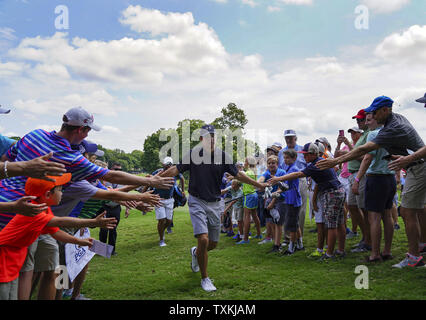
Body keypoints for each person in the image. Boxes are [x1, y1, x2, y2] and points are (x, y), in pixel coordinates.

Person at [0, 106, 173, 300]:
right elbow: (107, 192)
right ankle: (65, 295)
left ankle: (73, 294)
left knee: (74, 264)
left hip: (69, 225)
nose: (90, 159)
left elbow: (110, 192)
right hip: (57, 223)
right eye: (90, 155)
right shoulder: (73, 174)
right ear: (80, 134)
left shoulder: (39, 138)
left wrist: (134, 199)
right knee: (53, 271)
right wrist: (142, 190)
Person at [317, 96, 425, 268]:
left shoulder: (392, 127)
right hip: (412, 167)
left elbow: (365, 151)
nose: (371, 117)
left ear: (385, 110)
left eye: (374, 113)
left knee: (406, 211)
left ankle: (413, 256)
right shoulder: (395, 121)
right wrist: (405, 157)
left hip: (415, 168)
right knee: (411, 210)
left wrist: (335, 162)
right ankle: (418, 247)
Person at [160, 124, 268, 292]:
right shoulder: (194, 155)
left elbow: (238, 174)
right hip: (197, 200)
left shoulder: (223, 156)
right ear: (202, 139)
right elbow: (175, 169)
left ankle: (196, 252)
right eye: (207, 136)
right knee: (203, 239)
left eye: (213, 136)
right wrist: (153, 179)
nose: (211, 139)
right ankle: (205, 278)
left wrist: (257, 185)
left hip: (215, 202)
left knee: (212, 244)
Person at [0, 173, 117, 300]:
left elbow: (56, 232)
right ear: (47, 195)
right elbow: (59, 222)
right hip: (4, 265)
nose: (62, 193)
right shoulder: (34, 210)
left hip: (11, 264)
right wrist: (93, 222)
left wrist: (79, 241)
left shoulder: (44, 208)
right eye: (60, 189)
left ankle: (69, 293)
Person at [269, 143, 346, 261]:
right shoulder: (319, 161)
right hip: (338, 191)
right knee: (339, 223)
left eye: (305, 155)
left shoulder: (315, 164)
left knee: (331, 225)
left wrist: (278, 179)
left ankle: (329, 254)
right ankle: (340, 250)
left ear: (312, 154)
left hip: (332, 193)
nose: (304, 157)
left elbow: (299, 174)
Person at [352, 112, 396, 262]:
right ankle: (387, 251)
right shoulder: (391, 133)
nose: (367, 123)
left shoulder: (373, 135)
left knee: (374, 217)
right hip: (389, 178)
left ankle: (375, 254)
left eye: (369, 120)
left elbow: (367, 158)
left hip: (376, 178)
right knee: (387, 215)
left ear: (377, 119)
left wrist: (357, 179)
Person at [343, 109, 371, 253]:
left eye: (361, 120)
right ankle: (365, 236)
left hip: (361, 174)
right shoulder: (364, 135)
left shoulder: (368, 135)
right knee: (353, 206)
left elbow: (365, 157)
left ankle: (368, 240)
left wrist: (350, 153)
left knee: (364, 209)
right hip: (353, 174)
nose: (359, 122)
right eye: (357, 120)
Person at [141, 157, 185, 247]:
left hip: (170, 200)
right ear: (163, 165)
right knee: (162, 220)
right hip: (159, 199)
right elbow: (149, 182)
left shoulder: (175, 172)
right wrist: (142, 194)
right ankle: (161, 239)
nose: (167, 167)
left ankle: (161, 230)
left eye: (169, 165)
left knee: (168, 222)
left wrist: (183, 190)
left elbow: (182, 179)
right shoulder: (158, 172)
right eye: (166, 165)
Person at [278, 130, 308, 238]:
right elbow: (280, 167)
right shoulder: (281, 152)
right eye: (287, 137)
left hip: (301, 180)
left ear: (296, 138)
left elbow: (308, 165)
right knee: (287, 208)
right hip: (285, 180)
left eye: (291, 137)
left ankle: (298, 236)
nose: (289, 140)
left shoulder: (302, 150)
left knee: (300, 210)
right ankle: (287, 236)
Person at [335, 127, 364, 239]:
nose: (352, 135)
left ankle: (356, 230)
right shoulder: (348, 145)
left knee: (358, 206)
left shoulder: (361, 145)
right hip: (345, 176)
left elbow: (358, 155)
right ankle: (350, 229)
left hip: (355, 176)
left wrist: (347, 145)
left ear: (360, 134)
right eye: (351, 133)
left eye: (354, 133)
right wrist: (338, 144)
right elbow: (336, 155)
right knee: (348, 206)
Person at [258, 155, 286, 252]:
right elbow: (261, 179)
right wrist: (259, 184)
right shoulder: (267, 173)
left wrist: (272, 202)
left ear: (277, 164)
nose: (271, 165)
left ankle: (277, 245)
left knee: (278, 223)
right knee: (272, 222)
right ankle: (276, 242)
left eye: (273, 163)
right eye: (269, 163)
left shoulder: (282, 173)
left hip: (280, 200)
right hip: (271, 199)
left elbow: (281, 189)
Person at [236, 156, 263, 244]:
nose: (244, 163)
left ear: (248, 163)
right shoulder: (253, 171)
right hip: (254, 194)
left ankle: (245, 239)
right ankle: (259, 234)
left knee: (247, 217)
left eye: (245, 161)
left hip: (248, 195)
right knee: (255, 215)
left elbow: (239, 177)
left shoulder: (247, 173)